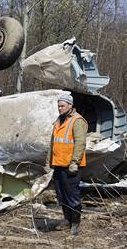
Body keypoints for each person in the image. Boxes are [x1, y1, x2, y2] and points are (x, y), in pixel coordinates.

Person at [46, 94, 87, 236]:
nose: (59, 108)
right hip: (58, 164)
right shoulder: (59, 120)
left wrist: (74, 162)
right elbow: (54, 142)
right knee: (61, 195)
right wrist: (50, 162)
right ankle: (66, 220)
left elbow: (80, 143)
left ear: (70, 105)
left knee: (72, 196)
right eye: (58, 106)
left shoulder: (77, 121)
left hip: (71, 166)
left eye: (62, 106)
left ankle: (75, 225)